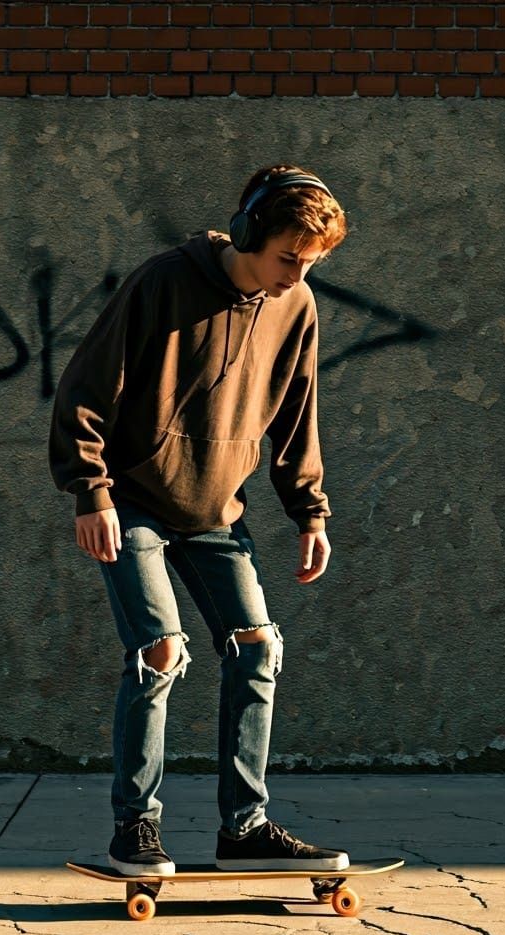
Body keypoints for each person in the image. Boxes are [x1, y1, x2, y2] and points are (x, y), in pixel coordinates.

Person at [49, 165, 350, 877]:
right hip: (132, 503)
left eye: (310, 263)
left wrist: (310, 511)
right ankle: (136, 829)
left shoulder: (295, 306)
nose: (296, 275)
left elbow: (298, 415)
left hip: (217, 510)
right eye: (288, 257)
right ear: (250, 232)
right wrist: (91, 492)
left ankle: (244, 828)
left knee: (258, 647)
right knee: (159, 651)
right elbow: (85, 389)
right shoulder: (163, 284)